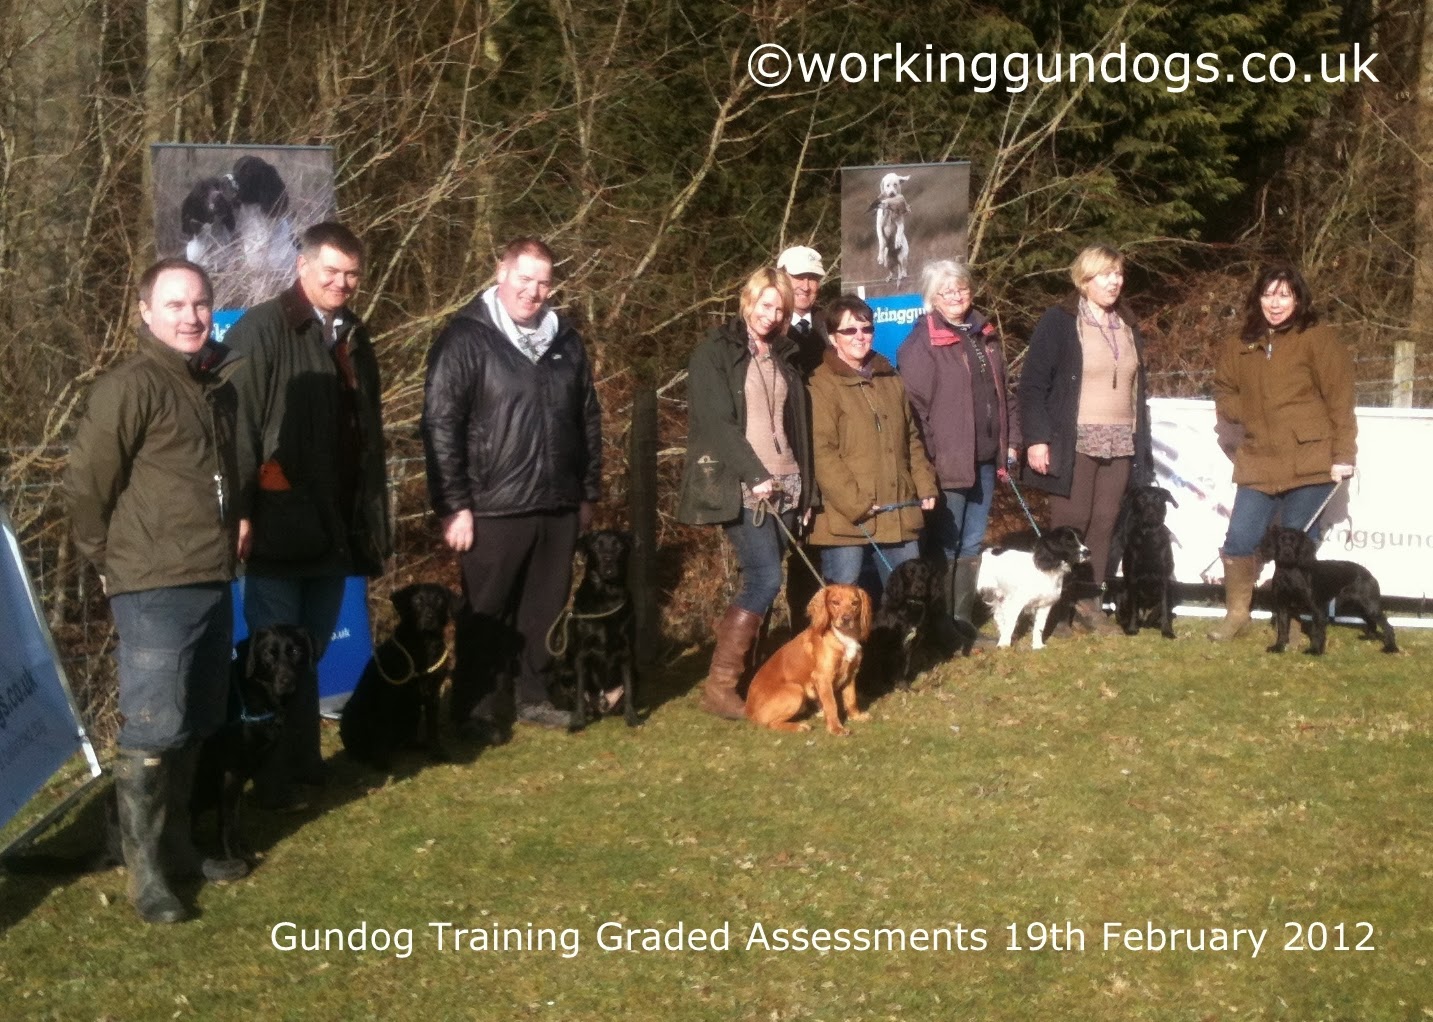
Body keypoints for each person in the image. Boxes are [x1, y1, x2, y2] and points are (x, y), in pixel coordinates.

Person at [64, 259, 248, 923]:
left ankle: (178, 844)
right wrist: (101, 555)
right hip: (152, 585)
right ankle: (145, 877)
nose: (190, 316)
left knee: (199, 718)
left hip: (212, 575)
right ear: (145, 313)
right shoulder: (131, 386)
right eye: (174, 305)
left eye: (199, 303)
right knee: (153, 726)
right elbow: (87, 480)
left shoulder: (214, 384)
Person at [227, 221, 393, 807]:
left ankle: (303, 768)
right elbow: (238, 428)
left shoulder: (353, 332)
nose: (343, 282)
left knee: (309, 651)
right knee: (273, 657)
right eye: (332, 271)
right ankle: (270, 779)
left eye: (352, 273)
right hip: (277, 525)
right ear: (302, 268)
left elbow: (364, 430)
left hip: (335, 525)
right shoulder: (261, 330)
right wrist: (243, 511)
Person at [421, 237, 602, 740]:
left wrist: (587, 492)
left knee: (544, 609)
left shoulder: (566, 340)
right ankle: (472, 707)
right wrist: (453, 505)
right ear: (502, 272)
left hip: (559, 503)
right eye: (524, 278)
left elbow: (588, 419)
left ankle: (535, 696)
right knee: (485, 613)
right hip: (492, 506)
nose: (533, 291)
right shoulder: (465, 338)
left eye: (544, 282)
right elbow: (440, 424)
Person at [677, 268, 813, 719]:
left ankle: (753, 675)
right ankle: (720, 687)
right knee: (765, 578)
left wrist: (806, 488)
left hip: (787, 481)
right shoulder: (714, 353)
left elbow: (798, 427)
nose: (771, 316)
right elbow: (717, 424)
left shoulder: (784, 356)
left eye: (780, 309)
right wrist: (754, 474)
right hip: (744, 485)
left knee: (766, 579)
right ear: (746, 300)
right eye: (765, 304)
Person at [1208, 262, 1356, 641]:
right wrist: (1246, 413)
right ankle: (1237, 615)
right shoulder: (1238, 343)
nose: (1275, 303)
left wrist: (1344, 455)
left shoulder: (1319, 339)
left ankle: (1288, 615)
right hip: (1258, 457)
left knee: (1294, 541)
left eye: (1284, 294)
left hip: (1311, 460)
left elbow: (1340, 400)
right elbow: (1224, 391)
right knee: (1240, 538)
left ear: (1298, 298)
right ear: (1257, 298)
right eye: (1268, 294)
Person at [1018, 244, 1151, 633]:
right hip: (1072, 440)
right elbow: (1032, 385)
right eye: (1106, 274)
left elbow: (1136, 388)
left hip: (1121, 440)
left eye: (1119, 274)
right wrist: (1037, 439)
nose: (1116, 281)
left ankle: (1089, 604)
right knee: (1069, 525)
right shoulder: (1060, 321)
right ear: (1085, 279)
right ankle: (1055, 608)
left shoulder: (1127, 322)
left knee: (1105, 523)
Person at [898, 261, 1019, 646]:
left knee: (971, 542)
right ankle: (939, 626)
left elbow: (1004, 396)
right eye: (946, 291)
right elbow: (915, 410)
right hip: (947, 462)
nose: (956, 296)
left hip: (985, 458)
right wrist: (931, 460)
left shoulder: (985, 335)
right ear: (932, 297)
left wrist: (1009, 441)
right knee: (945, 544)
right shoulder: (921, 343)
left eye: (962, 288)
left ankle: (961, 620)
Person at [809, 295, 937, 596]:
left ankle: (898, 645)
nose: (860, 337)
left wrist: (925, 484)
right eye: (849, 331)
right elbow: (822, 452)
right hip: (845, 517)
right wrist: (857, 504)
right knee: (843, 605)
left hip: (897, 507)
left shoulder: (890, 377)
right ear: (833, 337)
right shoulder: (820, 384)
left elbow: (911, 437)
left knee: (906, 597)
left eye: (866, 329)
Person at [777, 245, 830, 377]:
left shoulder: (833, 324)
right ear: (780, 279)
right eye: (799, 277)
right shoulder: (767, 328)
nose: (806, 287)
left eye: (812, 278)